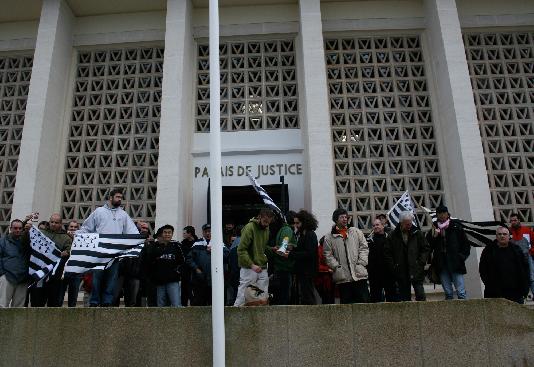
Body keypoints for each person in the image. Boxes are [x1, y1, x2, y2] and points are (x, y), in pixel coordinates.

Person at [78, 188, 139, 307]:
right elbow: (87, 228)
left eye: (121, 197)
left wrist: (140, 237)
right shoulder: (99, 212)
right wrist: (77, 235)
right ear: (110, 198)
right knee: (97, 279)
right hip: (99, 253)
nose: (119, 199)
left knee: (111, 280)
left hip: (115, 254)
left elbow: (132, 231)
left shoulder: (123, 214)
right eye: (117, 197)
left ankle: (107, 302)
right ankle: (94, 302)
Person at [23, 213, 72, 307]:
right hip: (39, 273)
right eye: (52, 222)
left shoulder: (66, 238)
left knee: (53, 303)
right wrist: (27, 228)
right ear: (49, 222)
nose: (53, 224)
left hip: (54, 276)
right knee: (37, 302)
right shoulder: (42, 233)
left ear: (61, 224)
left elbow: (71, 250)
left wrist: (67, 252)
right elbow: (27, 242)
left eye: (56, 222)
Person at [323, 208, 370, 304]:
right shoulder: (329, 237)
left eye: (346, 217)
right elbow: (327, 255)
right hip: (343, 278)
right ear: (336, 220)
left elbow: (364, 248)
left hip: (359, 275)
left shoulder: (356, 232)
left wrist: (361, 263)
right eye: (342, 217)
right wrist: (336, 267)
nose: (345, 219)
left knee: (363, 303)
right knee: (346, 305)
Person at [426, 205, 470, 300]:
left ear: (447, 214)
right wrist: (434, 237)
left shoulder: (456, 227)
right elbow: (428, 247)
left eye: (444, 213)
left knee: (461, 291)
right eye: (440, 214)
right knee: (448, 292)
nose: (442, 215)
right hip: (441, 264)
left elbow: (465, 244)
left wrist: (461, 257)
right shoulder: (434, 229)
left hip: (455, 262)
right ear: (437, 215)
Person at [384, 211, 430, 302]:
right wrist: (394, 266)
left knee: (420, 294)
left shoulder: (417, 233)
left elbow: (425, 249)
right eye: (407, 224)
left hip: (416, 268)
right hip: (401, 270)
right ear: (401, 223)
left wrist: (420, 262)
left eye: (410, 223)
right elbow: (387, 253)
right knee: (404, 297)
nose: (409, 225)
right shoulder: (392, 235)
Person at [233, 209, 275, 307]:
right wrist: (252, 265)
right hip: (249, 266)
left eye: (269, 223)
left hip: (261, 266)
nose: (266, 225)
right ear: (259, 217)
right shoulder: (249, 228)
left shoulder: (266, 228)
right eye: (265, 221)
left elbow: (261, 246)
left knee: (262, 295)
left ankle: (260, 317)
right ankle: (237, 312)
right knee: (243, 292)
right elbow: (241, 250)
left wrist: (272, 249)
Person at [479, 225, 530, 304]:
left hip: (515, 292)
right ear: (496, 236)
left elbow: (525, 268)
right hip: (495, 293)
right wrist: (489, 284)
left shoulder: (516, 250)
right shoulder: (489, 250)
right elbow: (483, 269)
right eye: (499, 234)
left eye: (504, 234)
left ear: (509, 236)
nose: (502, 236)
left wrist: (525, 288)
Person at [187, 224, 228, 306]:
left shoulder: (219, 243)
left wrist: (215, 251)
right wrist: (196, 269)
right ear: (203, 232)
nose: (208, 233)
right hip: (200, 279)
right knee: (199, 302)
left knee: (215, 303)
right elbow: (189, 259)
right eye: (206, 231)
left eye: (210, 231)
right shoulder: (197, 244)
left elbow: (226, 257)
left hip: (215, 280)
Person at [144, 225, 185, 307]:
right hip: (159, 282)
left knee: (176, 304)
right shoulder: (154, 247)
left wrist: (177, 272)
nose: (167, 234)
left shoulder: (176, 246)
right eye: (165, 232)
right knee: (161, 306)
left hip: (173, 281)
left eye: (169, 233)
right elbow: (149, 262)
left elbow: (182, 261)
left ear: (172, 234)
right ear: (162, 234)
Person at [287, 210, 319, 305]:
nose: (296, 225)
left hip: (307, 271)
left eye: (298, 223)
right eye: (295, 223)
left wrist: (290, 254)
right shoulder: (302, 234)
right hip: (303, 271)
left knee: (307, 296)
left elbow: (309, 253)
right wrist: (293, 248)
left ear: (304, 222)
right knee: (304, 295)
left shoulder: (310, 234)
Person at [268, 211, 297, 305]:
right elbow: (283, 247)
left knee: (281, 295)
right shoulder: (287, 230)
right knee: (284, 296)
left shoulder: (283, 229)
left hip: (281, 267)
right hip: (284, 267)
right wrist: (290, 247)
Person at [0, 219, 28, 307]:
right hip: (7, 277)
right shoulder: (3, 241)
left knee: (18, 307)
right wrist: (2, 274)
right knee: (2, 305)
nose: (18, 230)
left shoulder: (26, 242)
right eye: (15, 228)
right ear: (10, 228)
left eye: (20, 228)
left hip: (23, 278)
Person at [367, 218, 396, 302]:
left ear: (383, 226)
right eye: (374, 225)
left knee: (391, 298)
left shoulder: (390, 239)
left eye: (377, 225)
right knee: (376, 299)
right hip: (374, 275)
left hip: (389, 273)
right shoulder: (369, 240)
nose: (375, 227)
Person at [509, 213, 534, 298]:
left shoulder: (527, 230)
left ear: (519, 220)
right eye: (511, 221)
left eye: (515, 220)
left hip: (528, 257)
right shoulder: (508, 232)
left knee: (531, 278)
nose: (513, 222)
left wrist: (530, 251)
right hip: (514, 259)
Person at [61, 220, 81, 307]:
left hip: (76, 272)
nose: (73, 229)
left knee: (73, 298)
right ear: (67, 228)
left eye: (75, 227)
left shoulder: (81, 240)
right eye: (71, 227)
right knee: (60, 296)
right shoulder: (63, 238)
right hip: (63, 271)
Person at [180, 225, 198, 306]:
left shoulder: (198, 243)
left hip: (195, 269)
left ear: (189, 233)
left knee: (194, 290)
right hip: (185, 270)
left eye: (184, 233)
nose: (183, 235)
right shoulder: (183, 243)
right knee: (184, 289)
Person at [314, 236, 335, 304]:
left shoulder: (321, 249)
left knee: (328, 298)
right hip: (324, 279)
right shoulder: (320, 250)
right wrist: (328, 269)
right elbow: (317, 265)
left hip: (327, 279)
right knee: (327, 298)